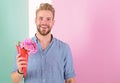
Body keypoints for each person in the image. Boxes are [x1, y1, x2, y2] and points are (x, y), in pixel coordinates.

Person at [11, 3, 76, 83]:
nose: (44, 22)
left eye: (48, 19)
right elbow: (15, 80)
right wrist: (20, 71)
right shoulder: (23, 48)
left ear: (53, 22)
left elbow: (70, 79)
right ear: (35, 20)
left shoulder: (64, 49)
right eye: (41, 18)